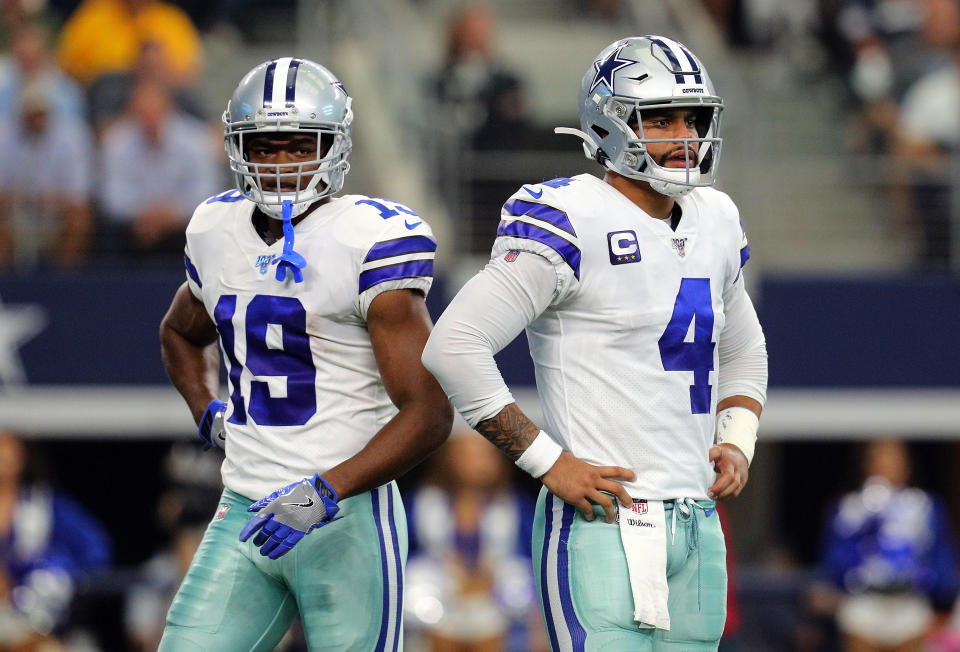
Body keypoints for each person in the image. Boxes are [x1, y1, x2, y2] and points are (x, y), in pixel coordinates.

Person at [422, 35, 768, 651]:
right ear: (608, 124)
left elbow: (744, 349)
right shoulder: (568, 214)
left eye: (693, 117)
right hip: (604, 521)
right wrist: (548, 462)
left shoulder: (715, 216)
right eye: (661, 117)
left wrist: (737, 440)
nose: (684, 134)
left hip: (697, 518)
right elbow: (455, 344)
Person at [157, 57, 453, 650]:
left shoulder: (368, 239)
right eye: (263, 147)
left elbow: (430, 413)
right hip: (243, 507)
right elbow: (180, 334)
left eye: (299, 146)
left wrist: (325, 489)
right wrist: (207, 412)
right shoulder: (216, 229)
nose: (280, 163)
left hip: (350, 516)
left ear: (334, 146)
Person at [821, 438, 960, 652]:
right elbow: (834, 560)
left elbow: (940, 556)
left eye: (894, 458)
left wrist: (941, 596)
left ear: (907, 465)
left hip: (909, 603)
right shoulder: (849, 507)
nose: (887, 464)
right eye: (880, 458)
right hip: (864, 603)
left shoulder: (924, 505)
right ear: (866, 464)